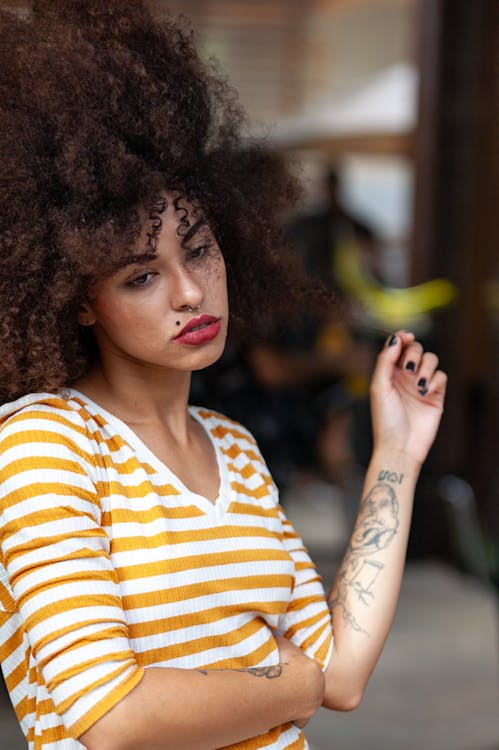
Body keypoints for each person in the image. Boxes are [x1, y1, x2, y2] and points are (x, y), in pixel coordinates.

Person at [0, 3, 447, 749]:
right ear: (78, 299)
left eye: (199, 249)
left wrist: (396, 455)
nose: (188, 292)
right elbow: (114, 716)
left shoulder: (233, 448)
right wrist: (292, 681)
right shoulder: (45, 445)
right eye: (141, 275)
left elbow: (343, 671)